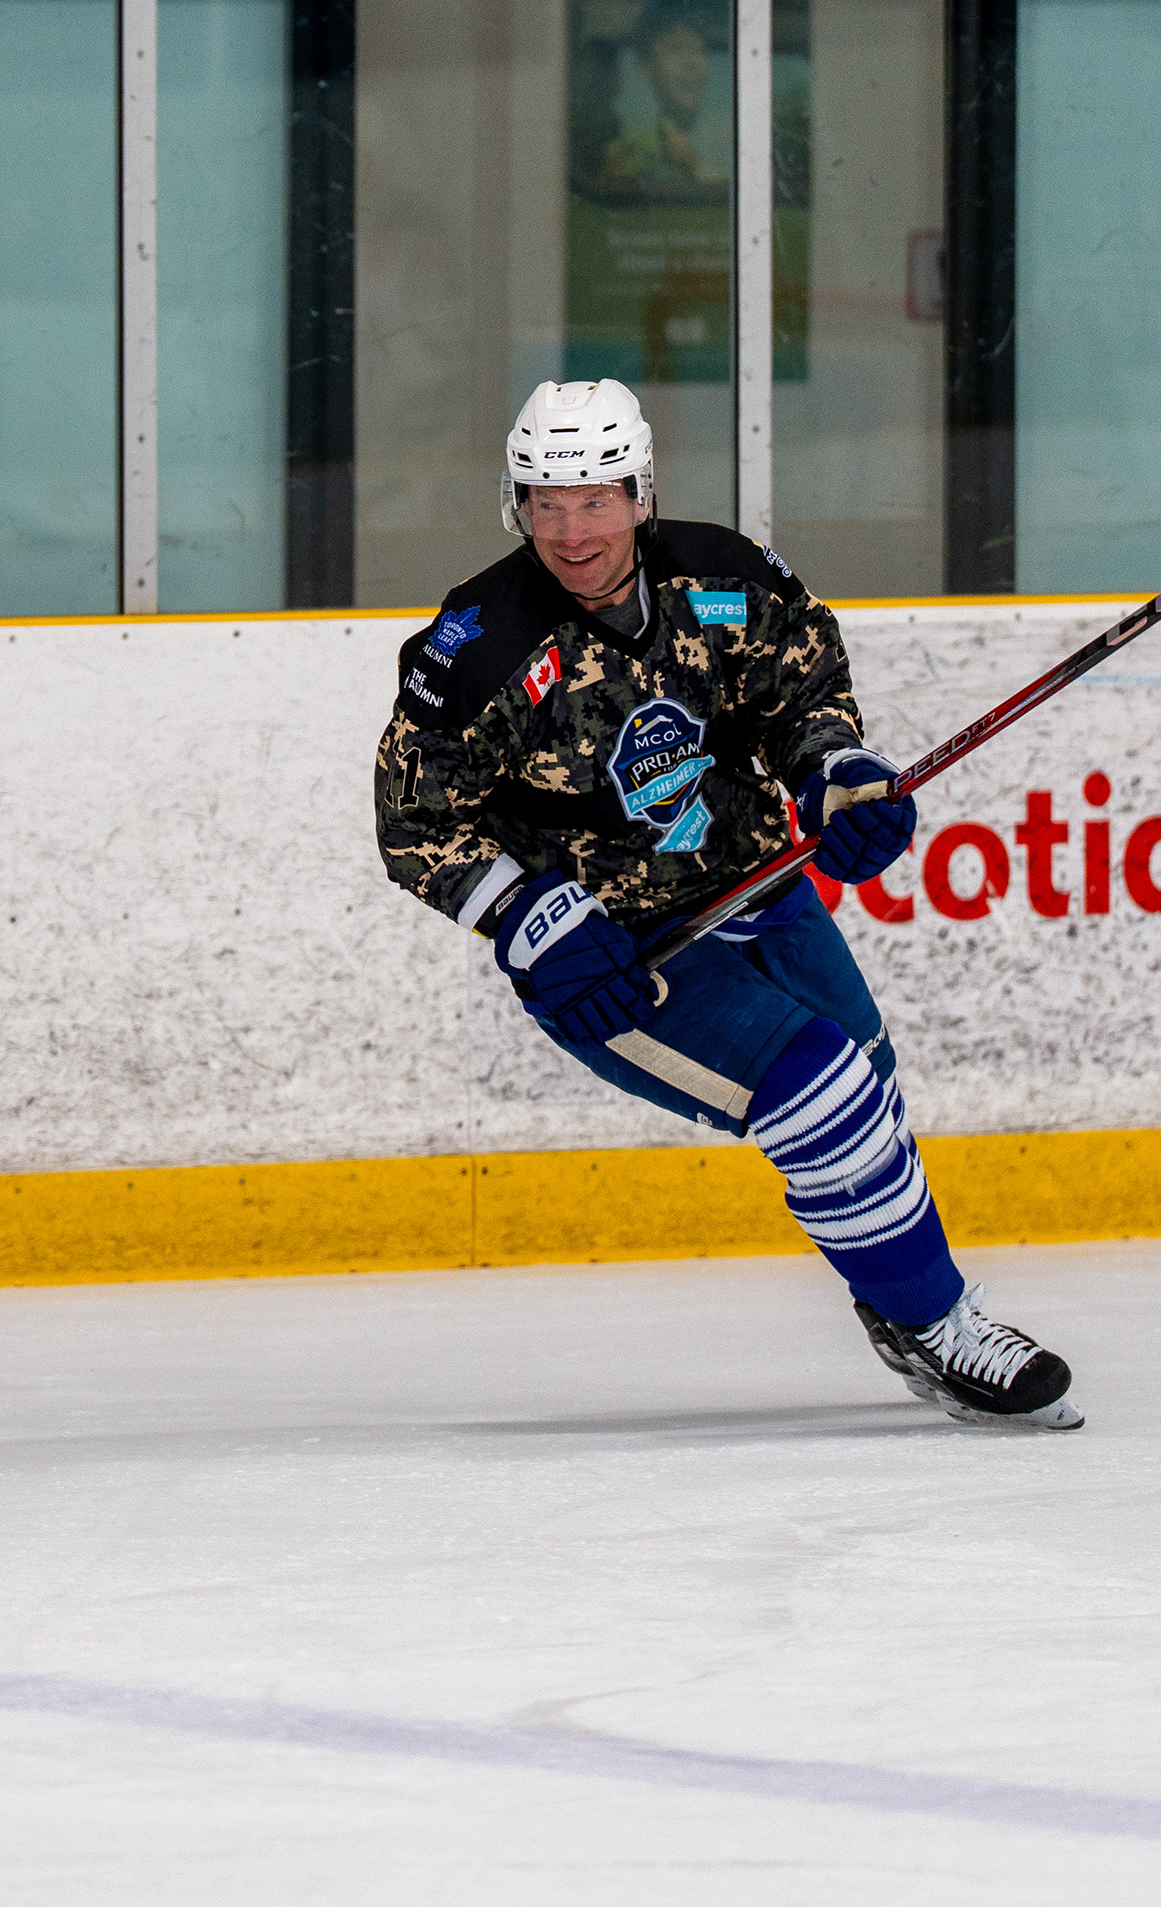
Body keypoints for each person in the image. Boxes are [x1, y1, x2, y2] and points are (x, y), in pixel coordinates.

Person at [373, 379, 1079, 1429]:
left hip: (760, 890)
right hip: (617, 954)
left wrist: (838, 773)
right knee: (822, 1092)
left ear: (641, 493)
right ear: (514, 504)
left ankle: (900, 1313)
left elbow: (805, 697)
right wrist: (525, 917)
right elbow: (414, 822)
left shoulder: (727, 578)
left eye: (595, 500)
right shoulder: (476, 648)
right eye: (546, 504)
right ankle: (944, 1327)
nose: (571, 531)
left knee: (867, 1092)